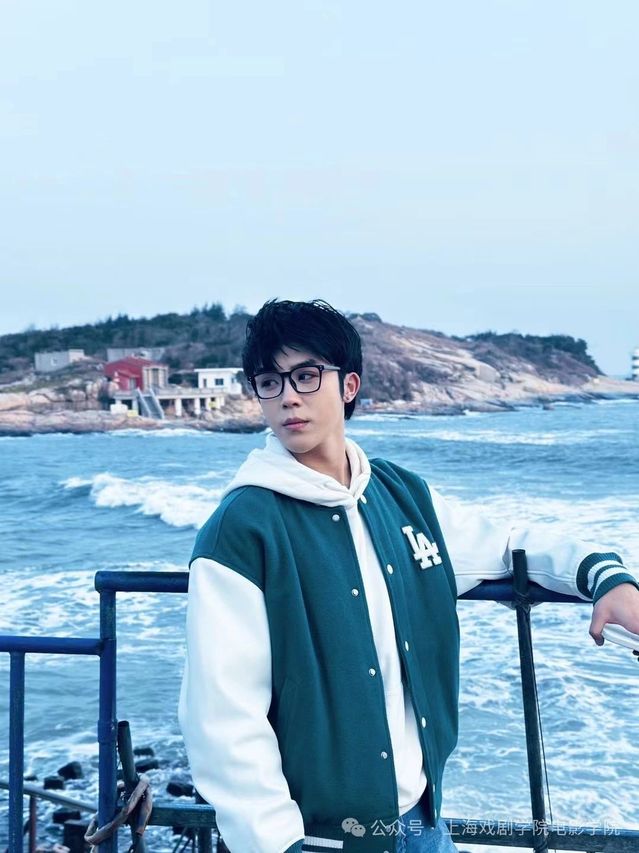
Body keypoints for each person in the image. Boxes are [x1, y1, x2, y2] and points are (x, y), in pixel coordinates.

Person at [178, 299, 639, 853]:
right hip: (321, 841)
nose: (288, 397)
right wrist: (275, 844)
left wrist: (606, 577)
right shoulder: (242, 528)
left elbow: (507, 545)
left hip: (423, 821)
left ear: (349, 385)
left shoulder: (400, 496)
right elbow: (222, 714)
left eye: (306, 375)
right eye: (269, 382)